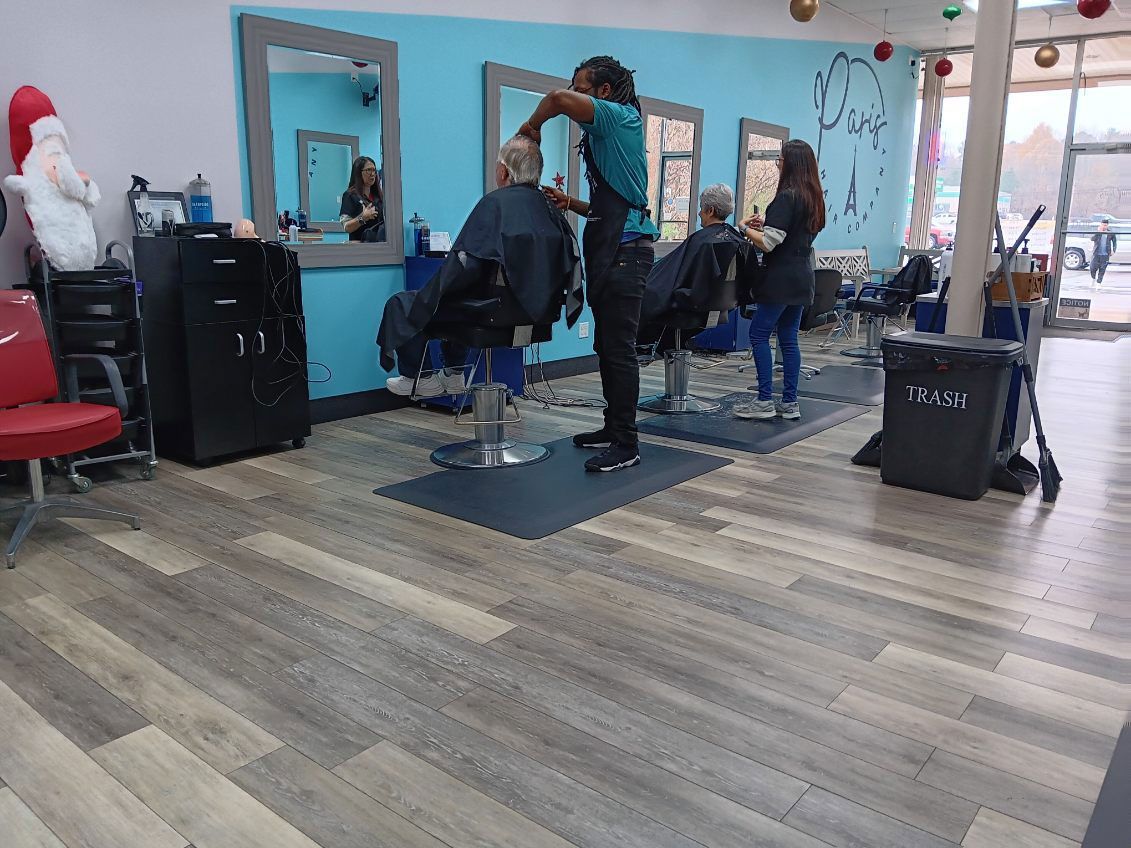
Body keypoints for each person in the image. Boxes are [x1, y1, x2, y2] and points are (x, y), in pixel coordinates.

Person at [520, 55, 659, 473]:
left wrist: (532, 127)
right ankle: (612, 428)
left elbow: (556, 99)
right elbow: (611, 202)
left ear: (603, 92)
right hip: (610, 248)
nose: (576, 94)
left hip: (627, 251)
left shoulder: (621, 118)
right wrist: (571, 204)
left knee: (619, 351)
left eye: (583, 88)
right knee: (605, 347)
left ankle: (627, 443)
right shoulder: (605, 135)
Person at [378, 136, 581, 397]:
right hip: (537, 315)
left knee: (405, 303)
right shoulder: (552, 210)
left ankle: (422, 376)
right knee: (459, 300)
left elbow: (463, 265)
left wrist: (435, 291)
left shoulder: (495, 203)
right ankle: (453, 374)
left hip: (494, 314)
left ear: (504, 171)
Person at [733, 139, 825, 421]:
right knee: (788, 339)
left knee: (759, 335)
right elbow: (789, 233)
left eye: (780, 160)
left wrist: (744, 229)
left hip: (780, 279)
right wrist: (768, 226)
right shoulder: (813, 198)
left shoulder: (786, 196)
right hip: (802, 278)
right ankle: (789, 403)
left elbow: (769, 243)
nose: (777, 164)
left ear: (792, 165)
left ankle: (763, 401)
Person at [638, 184, 747, 352]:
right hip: (720, 307)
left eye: (701, 209)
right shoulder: (735, 239)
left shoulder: (702, 241)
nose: (699, 214)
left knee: (644, 296)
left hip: (691, 308)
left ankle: (643, 348)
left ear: (710, 210)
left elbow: (674, 277)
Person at [340, 155, 384, 242]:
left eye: (374, 170)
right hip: (360, 247)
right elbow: (347, 227)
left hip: (379, 246)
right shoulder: (350, 195)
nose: (372, 174)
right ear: (358, 173)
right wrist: (362, 218)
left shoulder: (378, 197)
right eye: (368, 170)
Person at [1090, 219, 1117, 286]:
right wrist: (1099, 232)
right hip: (1096, 254)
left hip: (1105, 254)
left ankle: (1099, 283)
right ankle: (1093, 278)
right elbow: (1092, 239)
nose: (1104, 226)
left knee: (1102, 269)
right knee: (1092, 267)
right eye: (1103, 225)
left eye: (1105, 225)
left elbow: (1114, 242)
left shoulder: (1110, 233)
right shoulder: (1098, 232)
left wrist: (1113, 250)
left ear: (1107, 225)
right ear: (1100, 224)